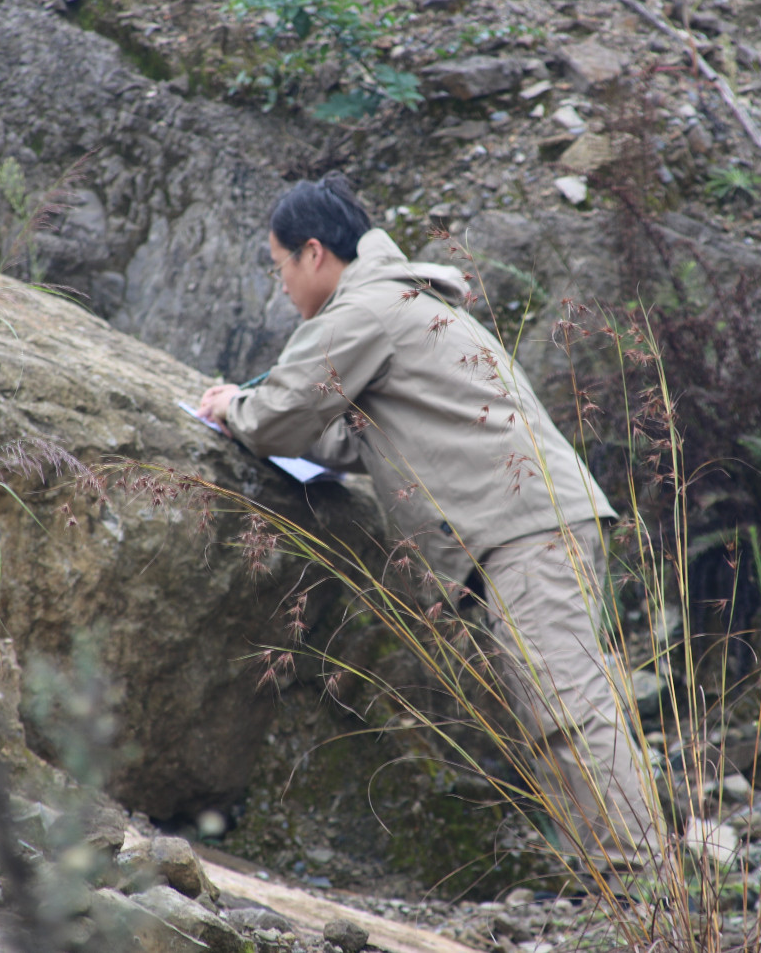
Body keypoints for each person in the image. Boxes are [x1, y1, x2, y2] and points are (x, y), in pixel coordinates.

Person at [197, 175, 656, 876]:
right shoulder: (403, 304)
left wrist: (233, 406)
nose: (281, 284)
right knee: (559, 709)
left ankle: (645, 881)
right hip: (533, 524)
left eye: (279, 265)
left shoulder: (368, 312)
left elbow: (281, 413)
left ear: (313, 253)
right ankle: (632, 879)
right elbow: (355, 445)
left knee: (569, 710)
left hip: (522, 532)